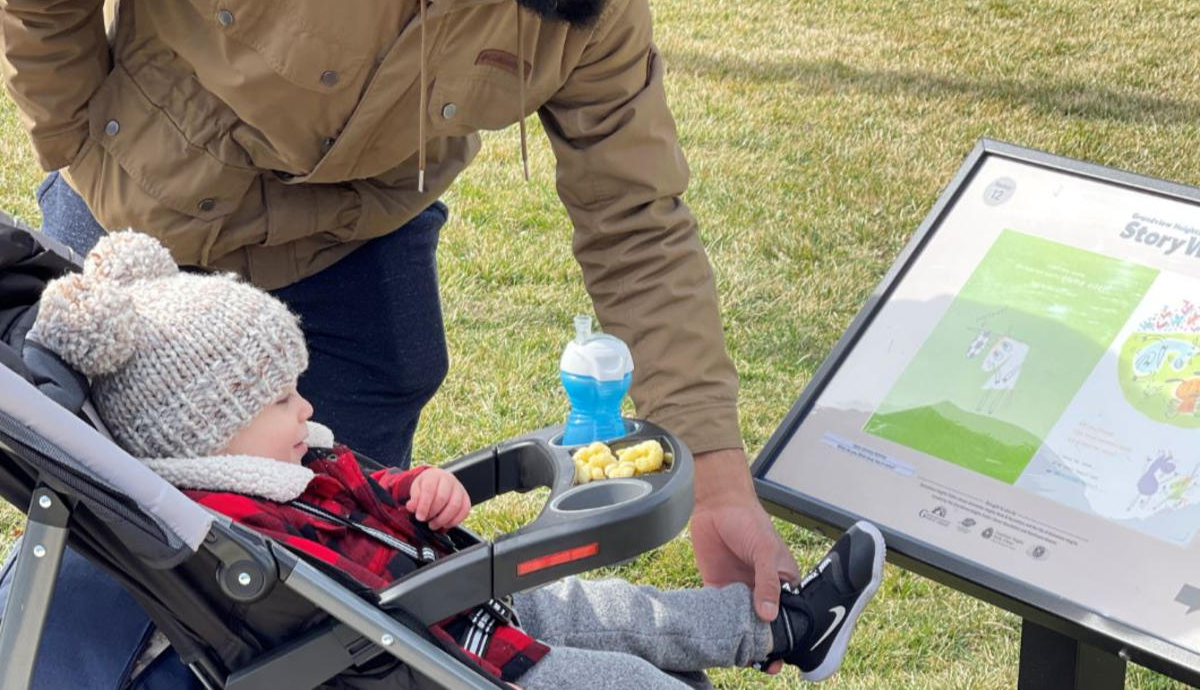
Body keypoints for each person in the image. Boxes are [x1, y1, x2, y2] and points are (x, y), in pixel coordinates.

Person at [0, 0, 798, 621]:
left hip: (353, 260)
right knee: (117, 562)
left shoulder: (595, 0)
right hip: (143, 255)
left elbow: (639, 224)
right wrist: (80, 143)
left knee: (336, 596)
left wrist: (717, 480)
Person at [30, 231, 886, 688]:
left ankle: (783, 629)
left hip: (472, 602)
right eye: (283, 399)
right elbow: (348, 607)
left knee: (622, 610)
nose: (309, 408)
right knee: (625, 674)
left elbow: (374, 491)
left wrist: (421, 491)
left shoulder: (285, 464)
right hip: (445, 656)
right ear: (206, 432)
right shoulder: (231, 532)